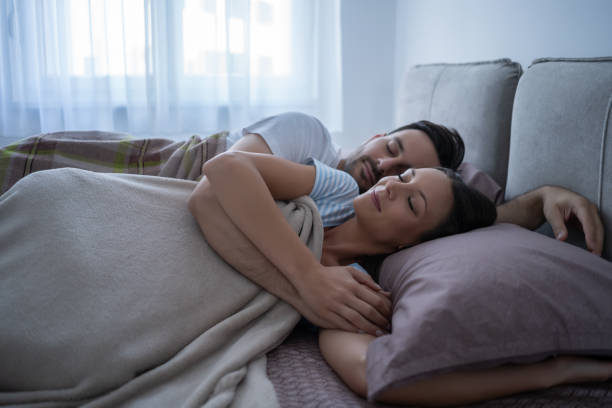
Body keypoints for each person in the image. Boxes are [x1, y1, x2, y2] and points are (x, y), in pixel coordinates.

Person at [190, 136, 612, 407]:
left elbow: (373, 374)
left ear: (408, 244)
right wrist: (307, 280)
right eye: (405, 176)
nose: (391, 185)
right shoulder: (338, 188)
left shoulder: (359, 290)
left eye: (411, 203)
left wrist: (547, 373)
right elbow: (224, 170)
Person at [190, 112, 605, 335]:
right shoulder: (311, 139)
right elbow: (210, 180)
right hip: (176, 165)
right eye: (392, 149)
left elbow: (459, 217)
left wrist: (542, 196)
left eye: (409, 174)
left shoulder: (364, 243)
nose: (386, 172)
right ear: (375, 134)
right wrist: (307, 280)